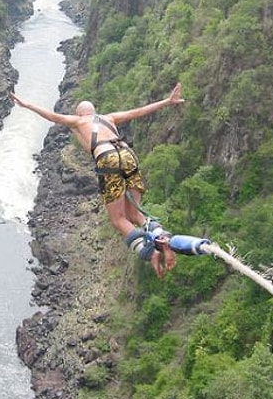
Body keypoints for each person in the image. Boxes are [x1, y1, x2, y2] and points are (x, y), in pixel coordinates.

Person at [10, 83, 185, 278]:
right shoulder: (109, 118)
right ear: (94, 111)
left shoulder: (78, 121)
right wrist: (168, 101)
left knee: (119, 219)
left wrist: (26, 105)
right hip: (127, 154)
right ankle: (164, 240)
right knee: (135, 215)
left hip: (108, 158)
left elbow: (52, 116)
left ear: (79, 113)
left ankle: (151, 253)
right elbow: (138, 112)